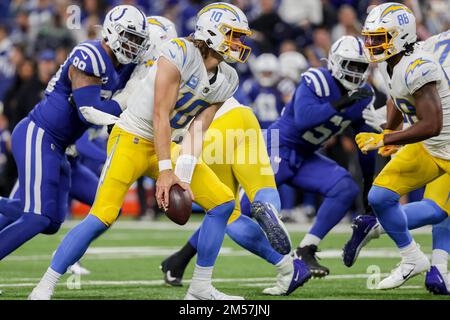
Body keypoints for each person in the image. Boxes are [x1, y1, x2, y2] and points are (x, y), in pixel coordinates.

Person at [29, 2, 254, 300]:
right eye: (233, 35)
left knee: (223, 203)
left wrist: (182, 175)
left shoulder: (229, 78)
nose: (238, 43)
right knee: (102, 216)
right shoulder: (179, 53)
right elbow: (160, 114)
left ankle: (200, 287)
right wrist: (165, 172)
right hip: (133, 136)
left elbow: (198, 128)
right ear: (211, 32)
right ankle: (44, 285)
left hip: (169, 143)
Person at [0, 4, 148, 261]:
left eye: (138, 40)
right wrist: (125, 100)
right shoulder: (90, 54)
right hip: (40, 134)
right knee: (35, 217)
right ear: (111, 32)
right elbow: (87, 111)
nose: (132, 45)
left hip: (60, 146)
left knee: (51, 221)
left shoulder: (124, 67)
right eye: (129, 37)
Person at [160, 97, 311, 296]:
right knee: (261, 187)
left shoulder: (154, 74)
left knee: (229, 213)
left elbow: (157, 117)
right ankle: (271, 213)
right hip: (243, 116)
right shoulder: (218, 72)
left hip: (206, 129)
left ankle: (287, 266)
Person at [343, 28, 450, 295]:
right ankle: (416, 258)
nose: (372, 44)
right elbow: (397, 93)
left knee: (439, 210)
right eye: (372, 37)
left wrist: (388, 137)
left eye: (378, 38)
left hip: (439, 138)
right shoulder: (400, 60)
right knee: (380, 197)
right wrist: (389, 135)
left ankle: (439, 269)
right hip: (429, 142)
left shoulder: (420, 56)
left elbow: (431, 121)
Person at [263, 35, 376, 277]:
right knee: (239, 210)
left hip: (305, 154)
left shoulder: (364, 94)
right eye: (350, 65)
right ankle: (184, 256)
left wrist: (369, 186)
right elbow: (305, 120)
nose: (356, 72)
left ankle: (306, 249)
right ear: (335, 62)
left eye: (361, 66)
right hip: (277, 147)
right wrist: (342, 103)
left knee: (346, 187)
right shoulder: (318, 79)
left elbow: (364, 142)